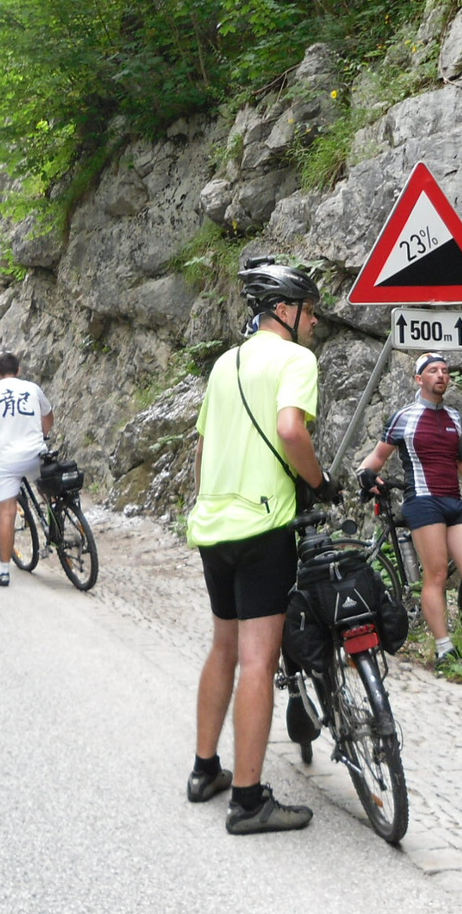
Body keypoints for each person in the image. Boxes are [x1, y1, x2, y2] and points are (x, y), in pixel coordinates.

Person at [185, 259, 339, 835]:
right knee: (258, 657)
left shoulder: (224, 363)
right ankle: (248, 800)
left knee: (222, 646)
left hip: (213, 522)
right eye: (311, 310)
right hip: (263, 525)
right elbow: (292, 430)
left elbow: (202, 446)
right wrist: (319, 483)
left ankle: (206, 771)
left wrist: (205, 503)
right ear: (286, 310)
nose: (316, 322)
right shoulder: (296, 359)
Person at [357, 352, 462, 671]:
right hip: (423, 502)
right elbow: (375, 458)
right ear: (419, 379)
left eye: (445, 371)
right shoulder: (405, 417)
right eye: (432, 371)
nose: (441, 375)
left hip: (454, 502)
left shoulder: (454, 418)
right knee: (437, 575)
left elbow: (460, 463)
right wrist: (365, 475)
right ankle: (444, 650)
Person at [0, 353, 54, 588]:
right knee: (49, 490)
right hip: (35, 453)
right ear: (18, 370)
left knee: (7, 514)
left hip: (6, 461)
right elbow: (48, 416)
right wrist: (44, 436)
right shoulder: (32, 388)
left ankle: (4, 571)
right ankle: (57, 522)